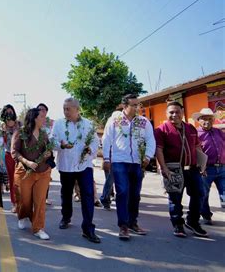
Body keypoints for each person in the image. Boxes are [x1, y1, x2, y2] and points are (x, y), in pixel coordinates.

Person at [102, 94, 155, 240]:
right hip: (119, 161)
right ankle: (123, 226)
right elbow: (106, 139)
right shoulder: (114, 120)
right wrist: (107, 158)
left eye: (138, 105)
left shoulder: (144, 122)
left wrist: (148, 156)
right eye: (134, 105)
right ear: (124, 106)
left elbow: (151, 140)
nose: (137, 107)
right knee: (123, 192)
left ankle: (133, 222)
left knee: (135, 195)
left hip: (137, 163)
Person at [155, 101, 208, 238]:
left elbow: (197, 147)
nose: (174, 115)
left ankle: (193, 221)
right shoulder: (161, 130)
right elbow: (159, 150)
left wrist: (203, 164)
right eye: (171, 112)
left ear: (183, 113)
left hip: (193, 169)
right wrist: (164, 168)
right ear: (166, 114)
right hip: (173, 169)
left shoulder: (190, 128)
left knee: (199, 194)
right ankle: (178, 224)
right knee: (175, 198)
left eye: (177, 112)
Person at [51, 98, 101, 243]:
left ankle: (88, 228)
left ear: (77, 109)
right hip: (66, 165)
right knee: (66, 193)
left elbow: (94, 141)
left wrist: (90, 149)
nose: (65, 112)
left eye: (68, 109)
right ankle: (66, 217)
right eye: (64, 108)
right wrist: (61, 145)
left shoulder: (88, 124)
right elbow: (52, 141)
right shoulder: (59, 124)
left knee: (88, 195)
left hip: (84, 165)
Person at [12, 108, 52, 240]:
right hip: (24, 172)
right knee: (24, 199)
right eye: (41, 116)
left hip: (43, 171)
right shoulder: (20, 133)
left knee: (40, 201)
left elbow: (48, 149)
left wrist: (48, 154)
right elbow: (15, 152)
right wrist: (27, 162)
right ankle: (23, 215)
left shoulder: (44, 134)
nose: (44, 119)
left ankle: (38, 228)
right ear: (35, 118)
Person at [193, 108, 225, 225]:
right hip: (206, 169)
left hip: (222, 168)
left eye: (210, 119)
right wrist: (200, 167)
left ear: (213, 120)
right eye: (204, 119)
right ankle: (206, 215)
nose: (207, 121)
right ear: (199, 120)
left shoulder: (219, 132)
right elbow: (194, 151)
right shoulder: (196, 133)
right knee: (204, 194)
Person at [0, 104, 22, 213]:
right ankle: (15, 203)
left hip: (20, 155)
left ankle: (23, 203)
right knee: (12, 180)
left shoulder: (20, 125)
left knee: (22, 180)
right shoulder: (2, 127)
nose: (9, 114)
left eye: (11, 111)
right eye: (7, 112)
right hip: (8, 155)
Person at [36, 103, 55, 206]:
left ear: (46, 111)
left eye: (43, 109)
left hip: (47, 153)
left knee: (46, 176)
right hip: (35, 153)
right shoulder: (34, 122)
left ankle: (45, 197)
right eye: (39, 109)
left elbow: (53, 138)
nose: (41, 111)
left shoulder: (50, 124)